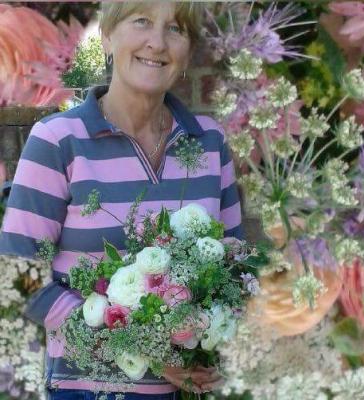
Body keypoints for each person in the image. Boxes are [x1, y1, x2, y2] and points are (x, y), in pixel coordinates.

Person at [0, 2, 243, 399]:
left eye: (176, 29)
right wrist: (143, 350)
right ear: (107, 37)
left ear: (187, 52)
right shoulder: (59, 141)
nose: (157, 42)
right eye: (141, 21)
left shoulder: (210, 142)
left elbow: (235, 266)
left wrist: (212, 343)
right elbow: (18, 277)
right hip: (87, 390)